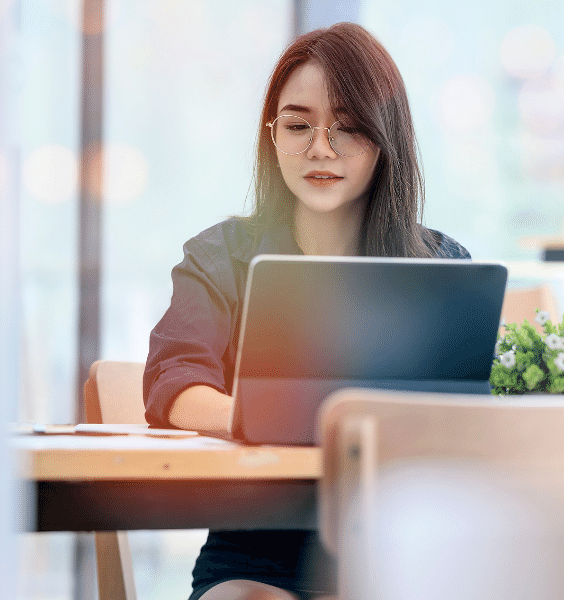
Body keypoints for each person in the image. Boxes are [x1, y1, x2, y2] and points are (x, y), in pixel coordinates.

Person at [142, 22, 471, 600]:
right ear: (272, 137)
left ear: (385, 139)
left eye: (348, 127)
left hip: (404, 560)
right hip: (254, 559)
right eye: (298, 126)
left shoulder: (443, 265)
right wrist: (277, 419)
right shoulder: (222, 256)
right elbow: (174, 382)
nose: (320, 148)